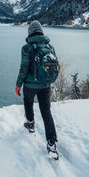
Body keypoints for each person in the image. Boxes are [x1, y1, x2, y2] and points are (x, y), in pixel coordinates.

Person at [15, 20, 59, 159]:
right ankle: (51, 143)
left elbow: (24, 68)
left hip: (30, 85)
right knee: (46, 111)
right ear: (41, 32)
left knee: (28, 102)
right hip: (46, 85)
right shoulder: (50, 47)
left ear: (30, 32)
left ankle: (30, 124)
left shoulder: (26, 48)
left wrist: (18, 85)